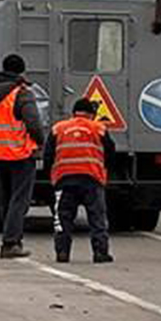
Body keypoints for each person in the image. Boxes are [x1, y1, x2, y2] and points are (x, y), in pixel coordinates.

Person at [0, 54, 46, 259]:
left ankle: (8, 239)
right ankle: (11, 243)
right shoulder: (21, 94)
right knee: (20, 199)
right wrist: (41, 142)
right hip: (19, 153)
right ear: (21, 71)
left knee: (6, 198)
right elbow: (33, 123)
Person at [45, 98, 115, 264]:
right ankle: (100, 253)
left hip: (64, 178)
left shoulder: (58, 128)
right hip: (92, 178)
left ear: (74, 112)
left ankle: (62, 253)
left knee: (63, 218)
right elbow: (110, 153)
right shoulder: (99, 128)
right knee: (97, 217)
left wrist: (52, 175)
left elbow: (48, 155)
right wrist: (104, 170)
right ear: (92, 114)